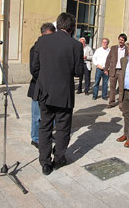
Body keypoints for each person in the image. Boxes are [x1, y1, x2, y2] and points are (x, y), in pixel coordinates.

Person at [32, 13, 83, 175]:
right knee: (62, 128)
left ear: (58, 25)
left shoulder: (42, 41)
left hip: (44, 93)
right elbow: (78, 71)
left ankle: (45, 163)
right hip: (64, 94)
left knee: (45, 126)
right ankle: (59, 158)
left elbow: (34, 68)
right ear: (71, 28)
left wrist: (45, 80)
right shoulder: (75, 45)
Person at [27, 23, 56, 149]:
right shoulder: (35, 48)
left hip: (52, 88)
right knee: (37, 116)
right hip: (38, 88)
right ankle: (36, 138)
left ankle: (47, 134)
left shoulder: (53, 49)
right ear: (42, 35)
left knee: (51, 115)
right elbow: (34, 70)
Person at [104, 33, 128, 109]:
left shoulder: (127, 50)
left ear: (124, 41)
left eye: (122, 40)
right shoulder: (113, 48)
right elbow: (108, 58)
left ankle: (121, 104)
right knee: (112, 88)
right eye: (120, 39)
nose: (120, 41)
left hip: (122, 71)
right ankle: (111, 102)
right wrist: (106, 68)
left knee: (121, 89)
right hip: (113, 70)